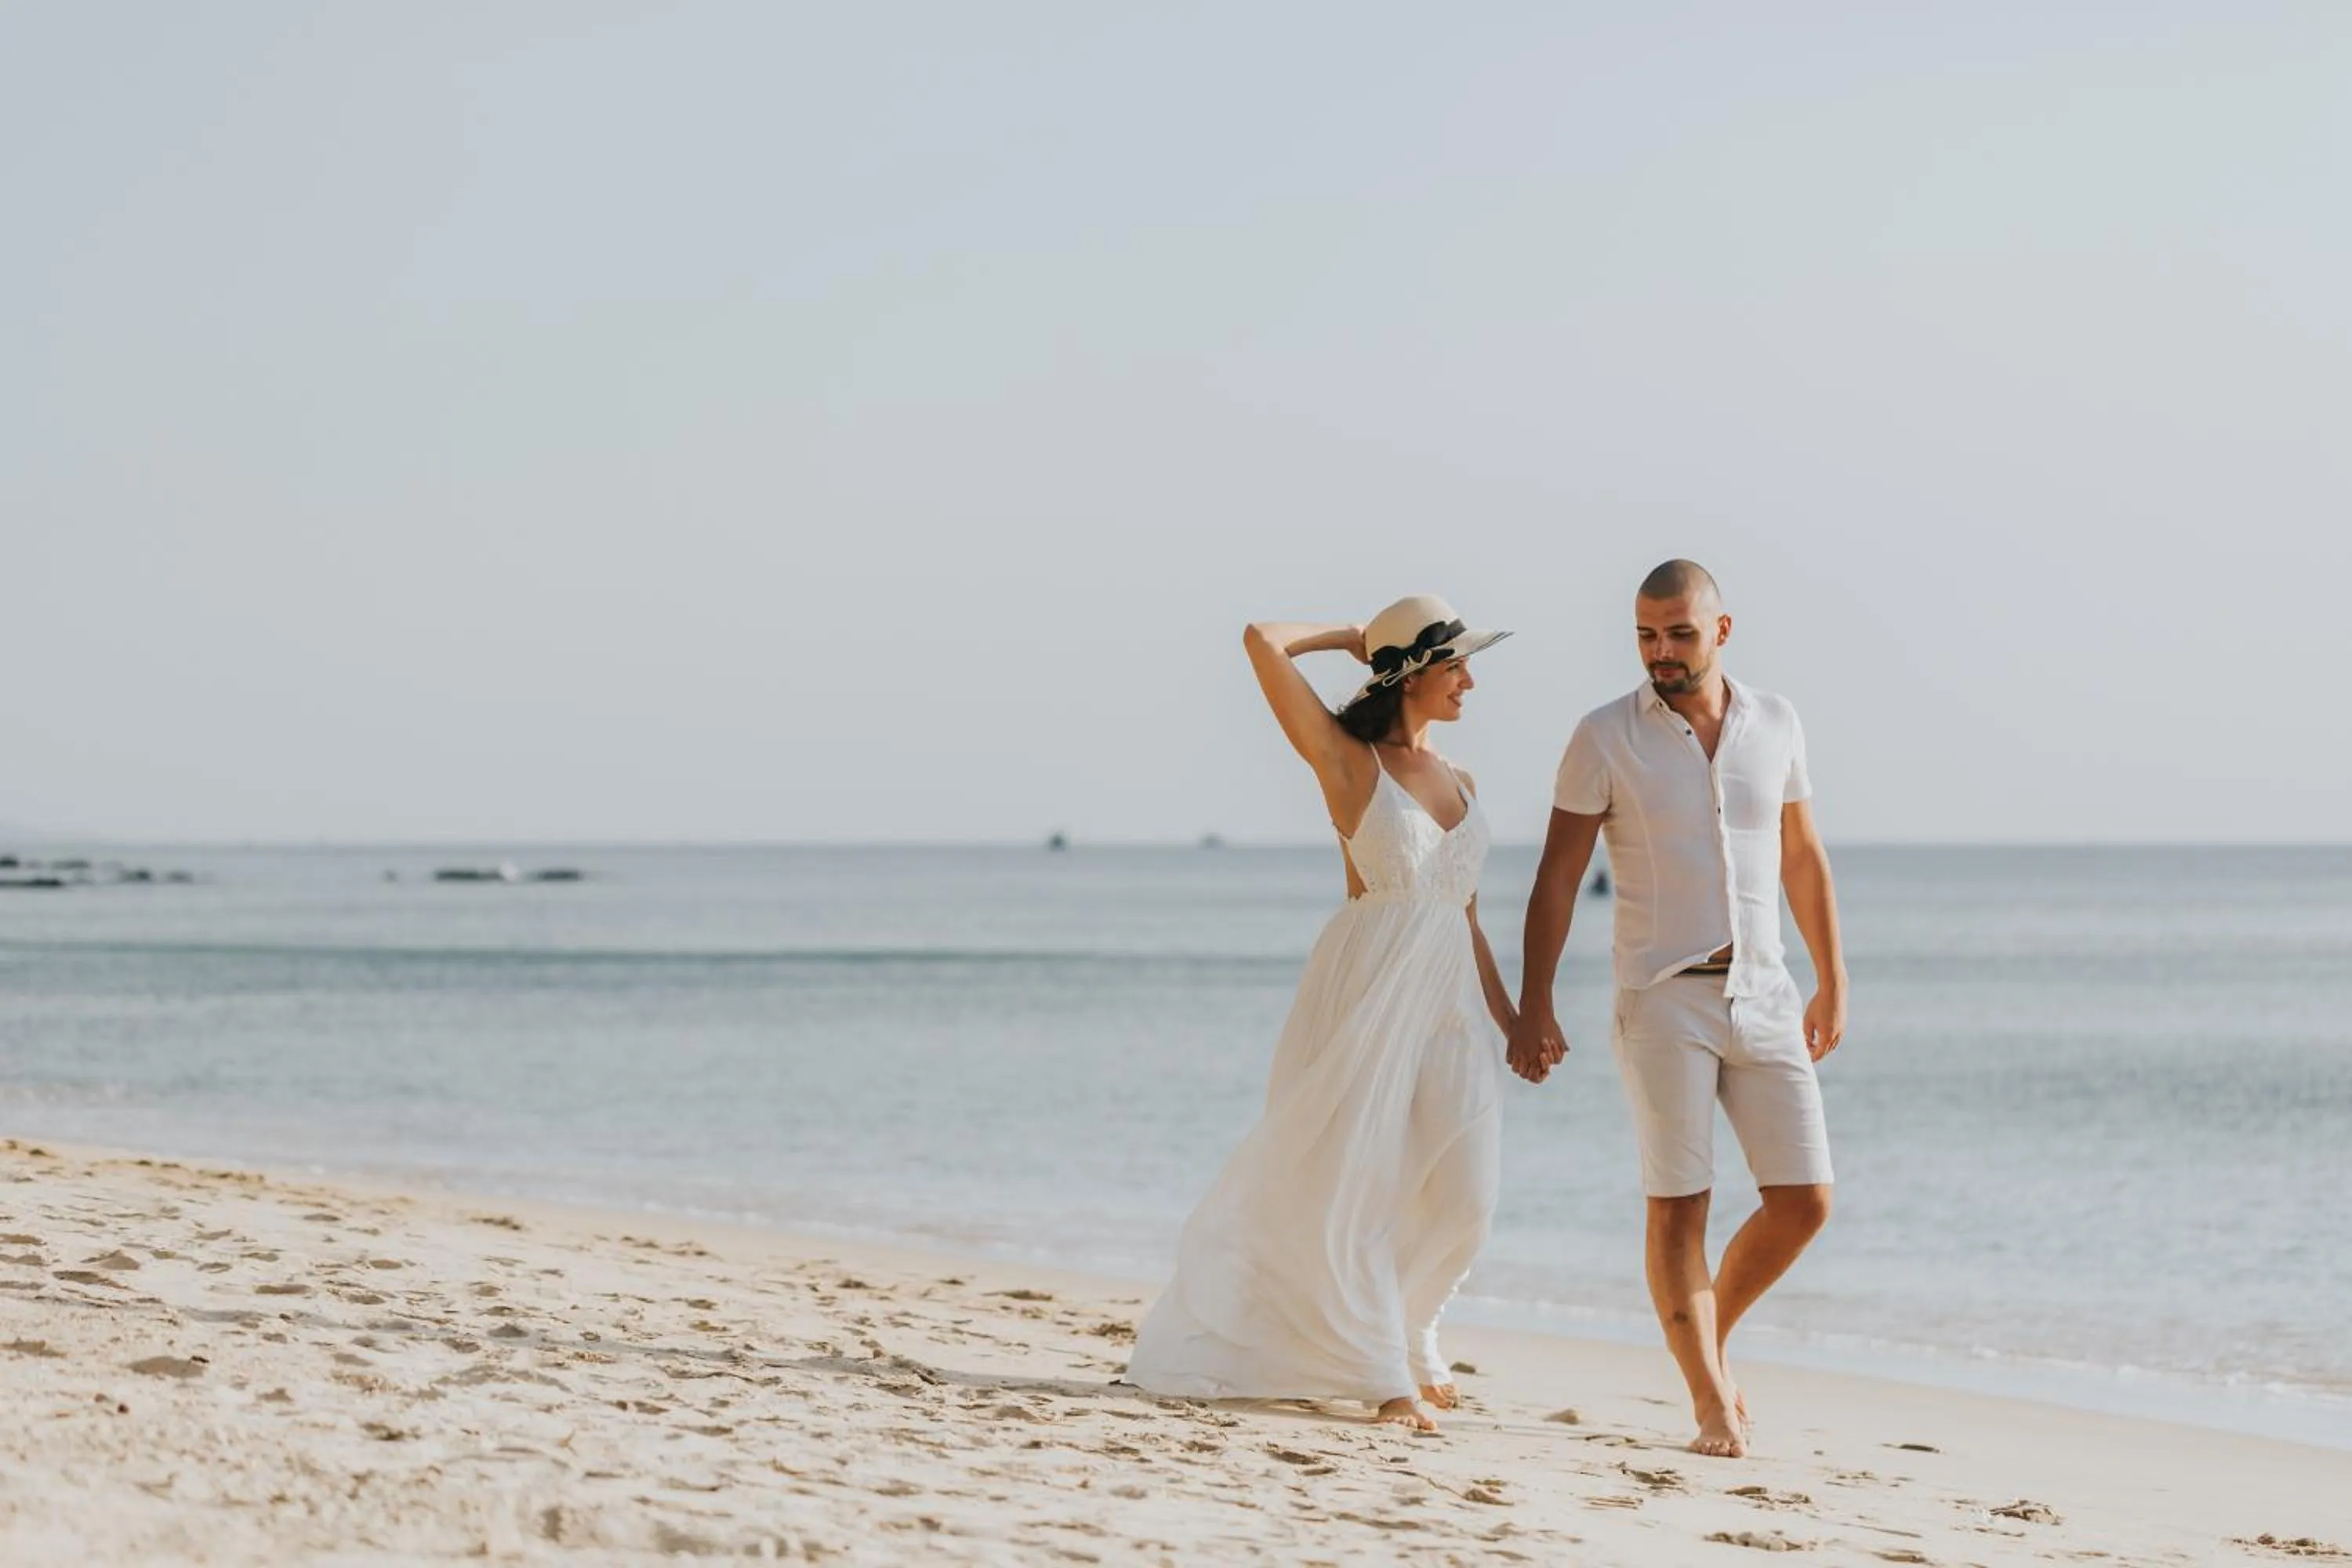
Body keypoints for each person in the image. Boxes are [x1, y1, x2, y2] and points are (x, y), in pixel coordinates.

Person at [1125, 594, 1519, 1432]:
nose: (1471, 682)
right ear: (1413, 674)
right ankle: (1385, 1375)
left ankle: (1412, 1327)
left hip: (1449, 997)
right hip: (1370, 989)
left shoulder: (1465, 780)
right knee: (1360, 1183)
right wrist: (1358, 639)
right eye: (1455, 665)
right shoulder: (1348, 763)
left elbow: (1469, 912)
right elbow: (1261, 641)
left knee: (1466, 1192)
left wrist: (1515, 1017)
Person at [1509, 560, 1847, 1460]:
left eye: (1679, 634)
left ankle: (1708, 1330)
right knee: (1679, 1205)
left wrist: (1833, 976)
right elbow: (1556, 878)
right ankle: (1709, 1399)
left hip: (1766, 990)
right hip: (1662, 998)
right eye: (1646, 635)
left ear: (1721, 630)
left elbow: (1802, 854)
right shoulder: (1603, 735)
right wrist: (1533, 1000)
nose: (1661, 652)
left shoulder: (1775, 722)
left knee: (1805, 1199)